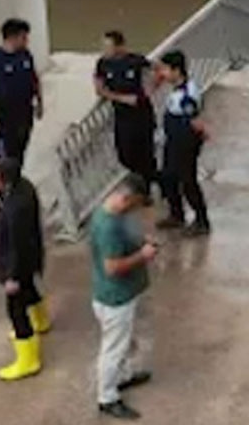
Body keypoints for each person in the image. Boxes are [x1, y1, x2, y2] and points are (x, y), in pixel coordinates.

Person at [91, 173, 157, 420]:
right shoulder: (109, 226)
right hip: (115, 298)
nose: (138, 209)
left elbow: (128, 240)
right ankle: (107, 396)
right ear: (129, 198)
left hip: (129, 292)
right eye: (138, 204)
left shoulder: (116, 213)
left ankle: (124, 376)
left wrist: (141, 243)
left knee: (130, 339)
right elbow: (112, 267)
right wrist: (144, 256)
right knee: (114, 348)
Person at [0, 158, 50, 381]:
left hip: (18, 264)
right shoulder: (22, 189)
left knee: (16, 309)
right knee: (29, 290)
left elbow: (16, 244)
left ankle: (28, 358)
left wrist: (11, 276)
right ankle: (41, 321)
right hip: (29, 259)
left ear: (5, 181)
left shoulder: (15, 208)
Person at [155, 50, 211, 236]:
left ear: (176, 71)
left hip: (184, 142)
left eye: (165, 70)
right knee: (168, 177)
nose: (162, 74)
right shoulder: (178, 90)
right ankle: (176, 214)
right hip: (173, 141)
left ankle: (202, 220)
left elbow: (194, 120)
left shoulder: (187, 95)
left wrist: (201, 134)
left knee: (188, 181)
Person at [94, 30, 156, 191]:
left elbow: (156, 71)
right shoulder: (103, 64)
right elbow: (100, 89)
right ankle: (138, 182)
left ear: (120, 47)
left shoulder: (136, 61)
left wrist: (148, 89)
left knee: (146, 154)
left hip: (142, 115)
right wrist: (121, 98)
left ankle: (147, 188)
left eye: (108, 47)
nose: (104, 50)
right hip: (122, 116)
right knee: (124, 154)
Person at [0, 18, 43, 166]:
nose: (27, 41)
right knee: (6, 155)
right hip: (4, 117)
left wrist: (40, 102)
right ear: (12, 37)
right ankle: (4, 184)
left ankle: (16, 179)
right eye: (24, 37)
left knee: (20, 151)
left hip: (24, 114)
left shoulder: (26, 56)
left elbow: (35, 80)